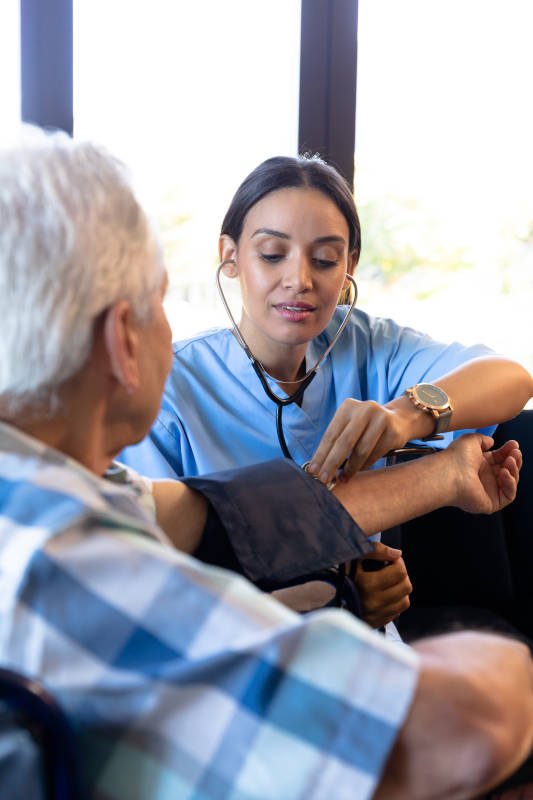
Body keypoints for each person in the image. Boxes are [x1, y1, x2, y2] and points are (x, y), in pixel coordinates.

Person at [0, 127, 532, 800]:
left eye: (323, 258)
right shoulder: (73, 555)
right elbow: (456, 729)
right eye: (160, 302)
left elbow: (219, 518)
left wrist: (426, 452)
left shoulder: (83, 490)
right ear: (121, 342)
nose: (298, 280)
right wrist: (494, 659)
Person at [120, 154, 533, 630]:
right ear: (229, 258)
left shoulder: (366, 345)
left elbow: (512, 378)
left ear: (349, 266)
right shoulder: (169, 387)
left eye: (325, 259)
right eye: (272, 254)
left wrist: (409, 414)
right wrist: (339, 599)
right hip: (230, 652)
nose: (300, 280)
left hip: (360, 647)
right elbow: (153, 578)